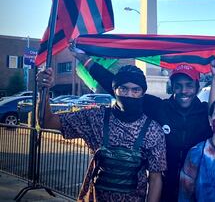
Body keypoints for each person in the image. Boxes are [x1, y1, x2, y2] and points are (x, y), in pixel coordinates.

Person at [75, 52, 215, 202]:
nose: (184, 91)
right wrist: (84, 59)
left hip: (202, 186)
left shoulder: (208, 114)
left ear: (197, 88)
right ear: (172, 87)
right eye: (179, 85)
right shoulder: (158, 108)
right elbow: (120, 86)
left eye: (189, 85)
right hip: (165, 186)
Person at [37, 65, 167, 202]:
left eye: (135, 90)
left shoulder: (153, 130)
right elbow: (47, 121)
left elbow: (155, 178)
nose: (129, 95)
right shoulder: (94, 118)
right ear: (114, 90)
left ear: (142, 93)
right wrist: (43, 90)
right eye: (123, 89)